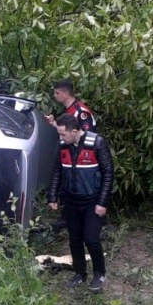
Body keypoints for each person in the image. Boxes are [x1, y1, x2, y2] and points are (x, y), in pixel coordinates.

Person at [49, 114, 114, 292]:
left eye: (63, 134)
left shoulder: (97, 143)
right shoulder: (62, 146)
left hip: (92, 202)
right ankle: (80, 273)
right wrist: (52, 196)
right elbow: (56, 172)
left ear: (75, 131)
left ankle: (100, 273)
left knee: (91, 239)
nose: (61, 138)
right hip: (71, 201)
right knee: (75, 239)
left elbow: (108, 173)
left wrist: (102, 202)